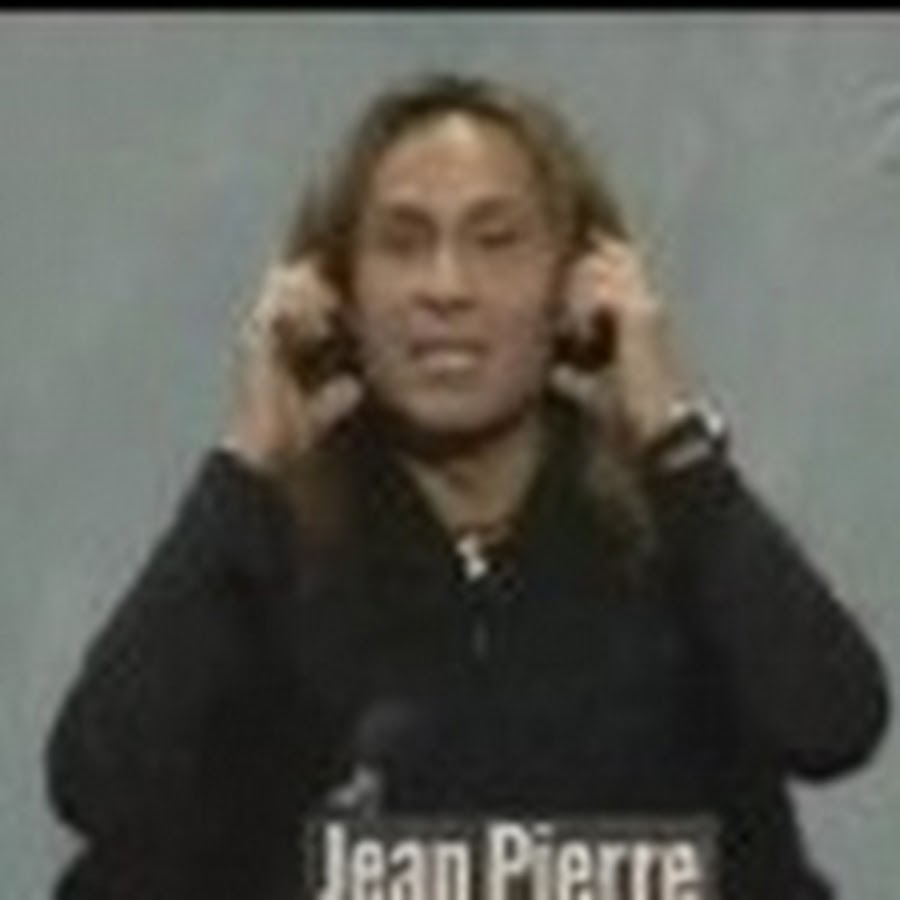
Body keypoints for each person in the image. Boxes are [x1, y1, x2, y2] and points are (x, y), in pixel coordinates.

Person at [45, 72, 889, 900]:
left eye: (497, 241)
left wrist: (671, 437)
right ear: (337, 295)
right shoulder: (260, 550)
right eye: (403, 243)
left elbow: (834, 726)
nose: (446, 288)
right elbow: (97, 785)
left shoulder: (681, 533)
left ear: (578, 287)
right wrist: (249, 461)